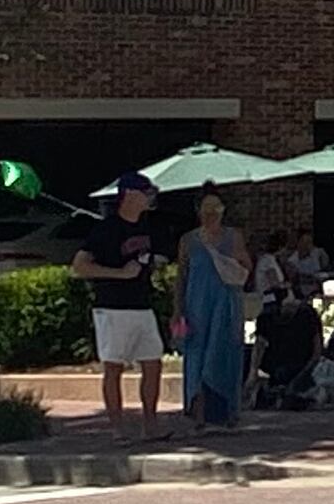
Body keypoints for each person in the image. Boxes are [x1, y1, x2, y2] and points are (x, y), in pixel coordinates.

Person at [74, 171, 167, 441]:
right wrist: (119, 274)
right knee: (114, 367)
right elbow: (80, 266)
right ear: (129, 195)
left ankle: (150, 424)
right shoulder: (106, 229)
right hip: (113, 308)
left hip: (142, 305)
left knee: (153, 363)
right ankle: (117, 428)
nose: (149, 198)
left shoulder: (147, 227)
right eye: (144, 192)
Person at [177, 188, 252, 431]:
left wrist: (233, 260)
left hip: (226, 305)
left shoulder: (234, 237)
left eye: (216, 209)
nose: (211, 215)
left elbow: (246, 267)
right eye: (206, 210)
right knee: (198, 357)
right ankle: (199, 414)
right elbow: (182, 277)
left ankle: (228, 412)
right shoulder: (188, 241)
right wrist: (178, 310)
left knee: (225, 355)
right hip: (197, 307)